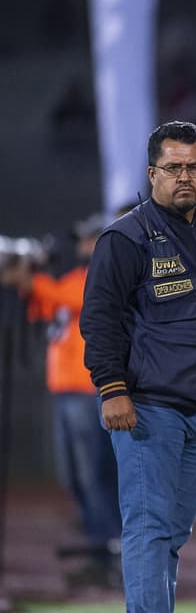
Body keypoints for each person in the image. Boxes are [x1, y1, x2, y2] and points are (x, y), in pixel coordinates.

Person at [81, 120, 196, 613]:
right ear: (152, 173)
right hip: (146, 405)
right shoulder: (123, 238)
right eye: (172, 168)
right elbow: (98, 320)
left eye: (193, 167)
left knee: (172, 530)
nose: (184, 177)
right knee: (149, 524)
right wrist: (112, 387)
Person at [4, 213, 120, 586]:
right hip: (65, 392)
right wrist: (24, 281)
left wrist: (29, 279)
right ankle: (98, 549)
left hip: (89, 391)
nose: (84, 245)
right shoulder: (71, 279)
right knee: (73, 477)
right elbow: (42, 306)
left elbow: (61, 297)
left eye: (91, 239)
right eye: (83, 239)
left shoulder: (103, 280)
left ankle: (109, 553)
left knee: (93, 477)